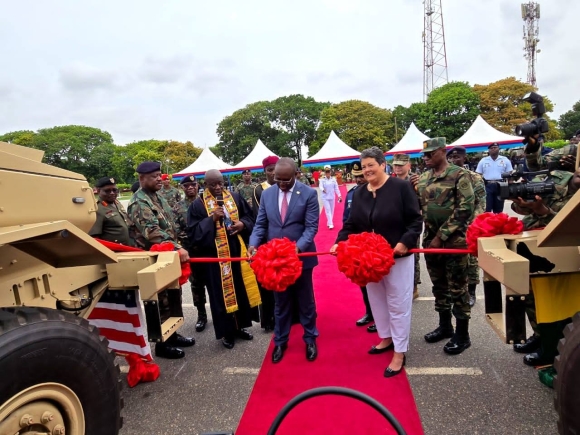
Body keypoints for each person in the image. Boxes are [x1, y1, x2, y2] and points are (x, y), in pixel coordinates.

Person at [332, 147, 423, 377]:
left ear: (383, 165)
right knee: (378, 302)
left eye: (371, 165)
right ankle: (386, 338)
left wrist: (405, 242)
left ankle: (400, 351)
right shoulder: (360, 193)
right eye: (364, 167)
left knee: (398, 304)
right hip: (369, 261)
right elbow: (351, 224)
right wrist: (339, 242)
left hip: (397, 258)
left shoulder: (400, 188)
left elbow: (415, 221)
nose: (367, 170)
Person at [249, 158, 320, 363]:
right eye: (277, 179)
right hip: (276, 261)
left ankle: (310, 338)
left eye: (286, 180)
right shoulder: (267, 194)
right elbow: (261, 224)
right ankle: (280, 341)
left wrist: (297, 248)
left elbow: (311, 227)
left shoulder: (308, 194)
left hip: (301, 258)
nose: (281, 184)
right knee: (280, 303)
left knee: (306, 301)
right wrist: (253, 244)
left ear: (296, 175)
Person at [411, 138, 475, 355]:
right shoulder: (424, 178)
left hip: (454, 241)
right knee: (439, 286)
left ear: (442, 152)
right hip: (430, 240)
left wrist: (442, 235)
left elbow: (466, 208)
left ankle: (463, 334)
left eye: (430, 154)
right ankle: (445, 326)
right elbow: (419, 206)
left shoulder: (459, 175)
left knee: (458, 288)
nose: (426, 157)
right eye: (424, 154)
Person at [510, 167, 580, 366]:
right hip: (535, 246)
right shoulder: (552, 178)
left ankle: (557, 348)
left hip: (567, 254)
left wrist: (544, 212)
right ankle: (540, 335)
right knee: (530, 295)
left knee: (558, 302)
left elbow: (571, 226)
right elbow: (519, 208)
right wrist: (524, 205)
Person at [127, 161, 196, 359]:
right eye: (154, 176)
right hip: (153, 258)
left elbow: (171, 224)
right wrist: (178, 247)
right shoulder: (139, 202)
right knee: (160, 302)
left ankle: (172, 335)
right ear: (142, 178)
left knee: (173, 296)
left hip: (167, 255)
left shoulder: (157, 196)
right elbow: (152, 232)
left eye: (159, 175)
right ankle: (162, 345)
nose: (159, 179)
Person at [187, 169, 261, 349]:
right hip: (215, 258)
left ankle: (240, 326)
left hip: (236, 253)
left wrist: (242, 224)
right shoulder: (198, 205)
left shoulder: (234, 197)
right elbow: (193, 233)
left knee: (239, 289)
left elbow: (250, 217)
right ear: (205, 185)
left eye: (220, 183)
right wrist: (211, 219)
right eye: (213, 184)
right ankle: (227, 332)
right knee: (220, 295)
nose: (218, 187)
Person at [447, 147, 486, 306]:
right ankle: (454, 290)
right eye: (451, 157)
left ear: (464, 159)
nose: (453, 160)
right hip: (451, 225)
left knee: (472, 261)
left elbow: (481, 204)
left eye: (457, 157)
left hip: (469, 225)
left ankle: (471, 291)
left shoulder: (474, 177)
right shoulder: (446, 177)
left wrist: (470, 224)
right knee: (453, 260)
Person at [173, 175, 208, 332]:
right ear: (182, 188)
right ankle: (201, 315)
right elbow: (176, 229)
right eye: (186, 185)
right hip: (191, 251)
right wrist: (192, 238)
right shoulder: (177, 207)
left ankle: (220, 315)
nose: (190, 188)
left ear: (197, 185)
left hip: (208, 249)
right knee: (197, 284)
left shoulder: (206, 202)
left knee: (215, 283)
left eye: (193, 184)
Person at [343, 160, 374, 329]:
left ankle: (381, 317)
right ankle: (370, 312)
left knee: (378, 283)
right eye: (356, 177)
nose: (359, 180)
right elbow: (346, 219)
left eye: (361, 176)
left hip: (375, 245)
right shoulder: (352, 194)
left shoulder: (377, 191)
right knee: (363, 281)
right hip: (357, 245)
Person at [251, 155, 279, 331]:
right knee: (268, 282)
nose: (273, 173)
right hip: (267, 242)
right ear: (265, 172)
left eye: (276, 168)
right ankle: (270, 319)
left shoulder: (286, 184)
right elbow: (259, 219)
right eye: (270, 170)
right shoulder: (259, 190)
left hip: (284, 242)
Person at [392, 153, 421, 301]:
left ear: (408, 166)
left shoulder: (415, 180)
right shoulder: (390, 181)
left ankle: (414, 286)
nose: (398, 168)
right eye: (395, 165)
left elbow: (422, 201)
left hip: (411, 224)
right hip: (395, 223)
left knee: (413, 255)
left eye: (401, 165)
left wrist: (417, 188)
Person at [89, 177, 131, 245]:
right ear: (98, 191)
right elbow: (95, 237)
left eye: (115, 190)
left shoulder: (117, 203)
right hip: (113, 249)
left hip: (128, 247)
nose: (112, 193)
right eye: (107, 191)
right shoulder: (97, 209)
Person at [475, 143, 513, 213]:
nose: (493, 149)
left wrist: (510, 188)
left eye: (495, 147)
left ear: (499, 149)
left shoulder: (505, 160)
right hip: (487, 186)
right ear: (489, 150)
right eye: (491, 148)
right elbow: (478, 174)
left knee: (499, 209)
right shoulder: (483, 160)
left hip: (501, 185)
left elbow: (510, 174)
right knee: (487, 208)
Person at [319, 165, 342, 229]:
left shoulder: (333, 179)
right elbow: (320, 186)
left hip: (332, 196)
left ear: (330, 172)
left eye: (328, 172)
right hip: (325, 197)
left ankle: (329, 222)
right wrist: (323, 189)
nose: (328, 173)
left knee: (332, 210)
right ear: (325, 172)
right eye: (326, 172)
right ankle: (331, 224)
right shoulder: (322, 179)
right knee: (328, 209)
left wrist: (339, 195)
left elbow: (336, 188)